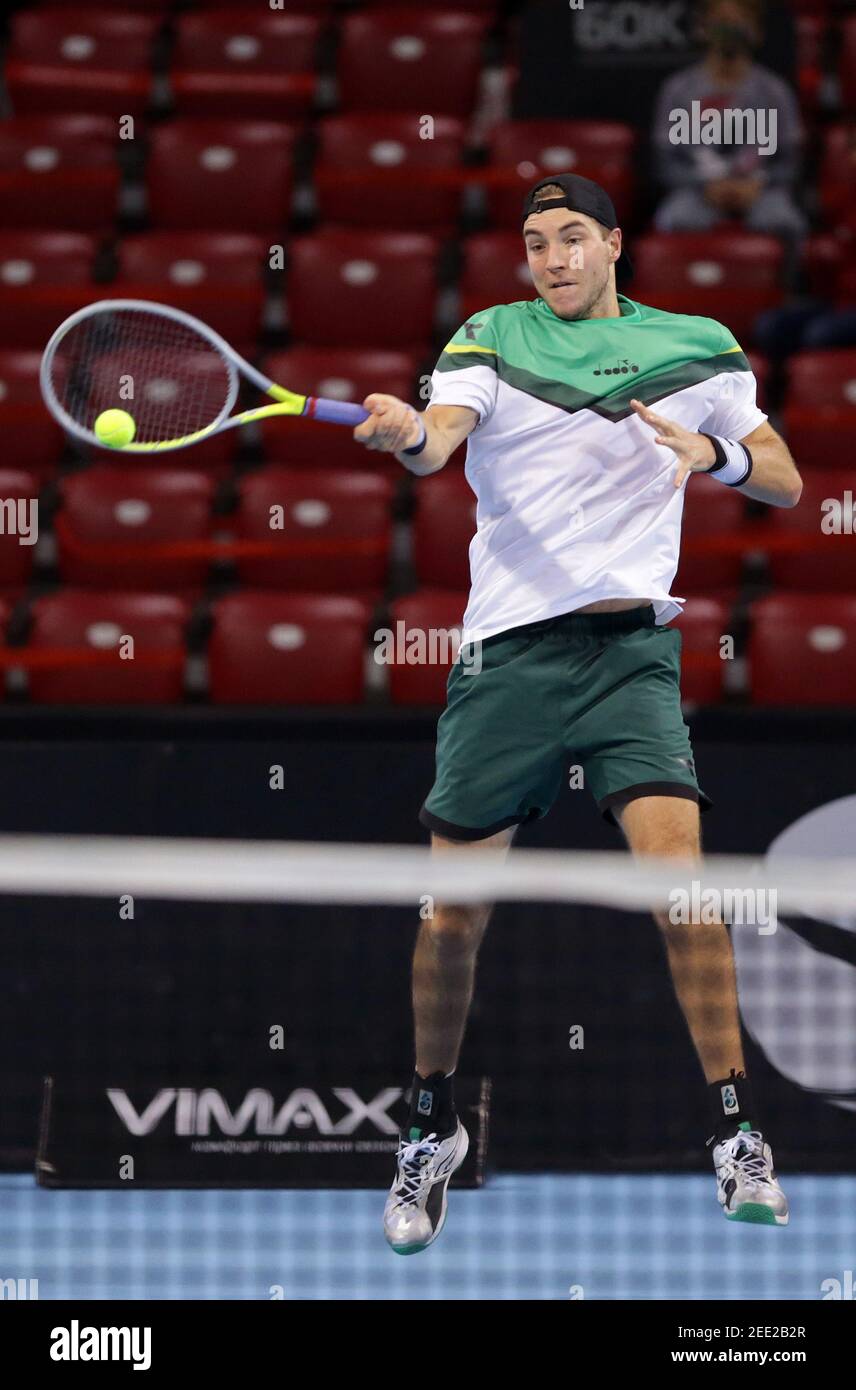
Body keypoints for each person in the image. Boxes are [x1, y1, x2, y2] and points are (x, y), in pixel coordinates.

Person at [353, 173, 802, 1255]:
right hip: (507, 662)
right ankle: (429, 1118)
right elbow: (440, 442)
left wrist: (713, 454)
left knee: (684, 898)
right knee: (449, 920)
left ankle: (735, 1132)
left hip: (629, 658)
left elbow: (784, 478)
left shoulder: (697, 345)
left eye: (568, 239)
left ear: (612, 244)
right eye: (531, 242)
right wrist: (408, 430)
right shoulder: (489, 333)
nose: (548, 258)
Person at [652, 0, 806, 242]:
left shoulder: (775, 91)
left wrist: (758, 184)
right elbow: (666, 162)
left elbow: (791, 160)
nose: (731, 28)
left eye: (740, 20)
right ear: (702, 27)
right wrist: (704, 185)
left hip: (762, 190)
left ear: (756, 31)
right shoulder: (678, 91)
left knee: (784, 221)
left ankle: (785, 281)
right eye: (722, 20)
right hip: (696, 190)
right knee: (675, 218)